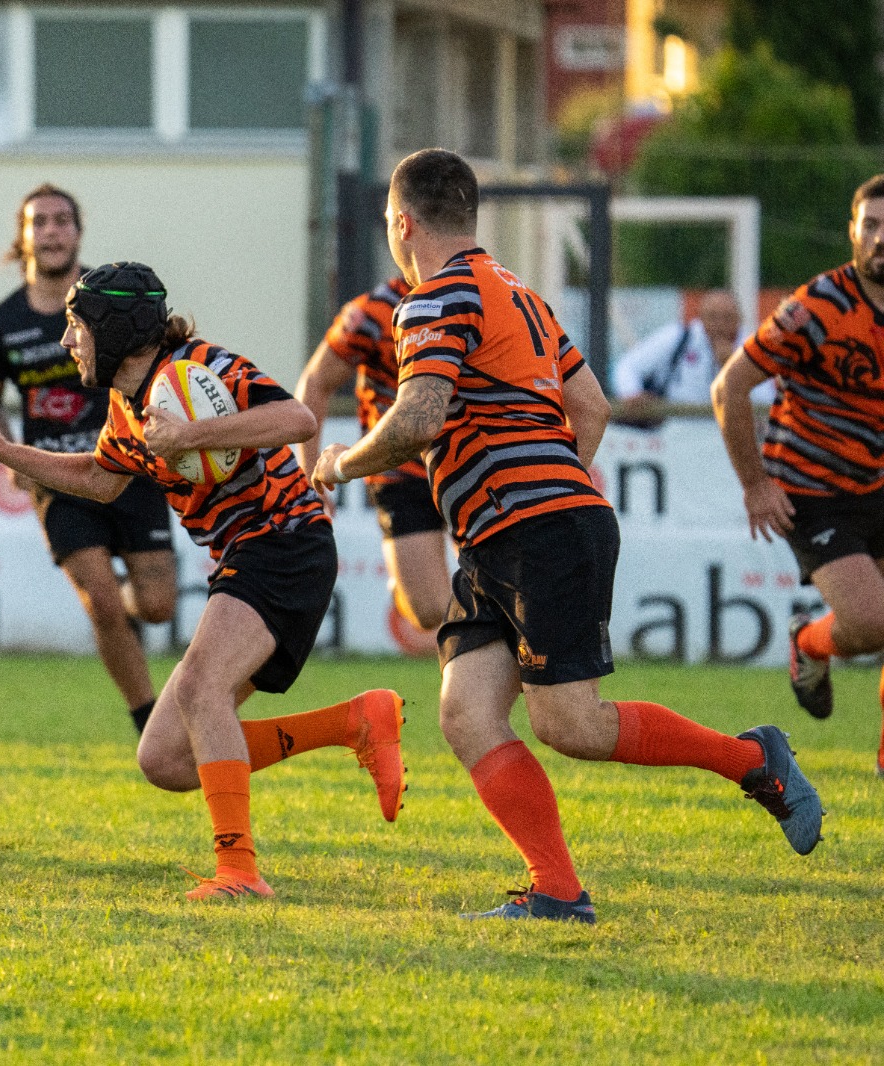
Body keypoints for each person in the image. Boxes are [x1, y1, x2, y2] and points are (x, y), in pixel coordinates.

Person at [314, 149, 823, 924]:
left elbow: (417, 419)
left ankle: (754, 759)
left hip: (533, 530)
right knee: (466, 712)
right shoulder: (521, 296)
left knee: (571, 725)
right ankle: (555, 890)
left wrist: (342, 464)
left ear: (402, 223)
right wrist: (550, 480)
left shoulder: (432, 298)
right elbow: (592, 406)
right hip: (510, 531)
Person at [0, 261, 406, 901]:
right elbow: (100, 479)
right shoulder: (125, 404)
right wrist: (3, 450)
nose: (66, 341)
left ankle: (239, 873)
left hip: (285, 542)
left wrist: (192, 435)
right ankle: (354, 722)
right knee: (164, 758)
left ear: (114, 328)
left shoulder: (200, 366)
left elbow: (297, 420)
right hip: (248, 555)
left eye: (77, 326)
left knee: (198, 690)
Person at [0, 186, 175, 734]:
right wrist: (12, 455)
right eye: (39, 222)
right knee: (102, 604)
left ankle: (130, 619)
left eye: (62, 220)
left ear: (78, 232)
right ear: (24, 237)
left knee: (157, 606)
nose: (51, 230)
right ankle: (148, 720)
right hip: (59, 480)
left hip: (129, 466)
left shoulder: (109, 300)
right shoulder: (1, 323)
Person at [712, 173, 884, 774]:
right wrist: (755, 484)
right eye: (871, 225)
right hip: (813, 488)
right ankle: (809, 642)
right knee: (872, 622)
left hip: (878, 480)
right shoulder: (818, 306)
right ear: (852, 232)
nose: (881, 238)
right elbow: (729, 387)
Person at [295, 275, 451, 640]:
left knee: (493, 593)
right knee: (430, 612)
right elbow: (316, 382)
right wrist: (309, 474)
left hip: (468, 463)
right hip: (401, 472)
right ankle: (407, 586)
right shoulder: (371, 313)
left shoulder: (475, 296)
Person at [611, 288, 771, 426]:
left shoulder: (752, 348)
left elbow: (765, 402)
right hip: (678, 433)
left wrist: (733, 369)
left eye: (727, 317)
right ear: (700, 317)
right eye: (713, 317)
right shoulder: (680, 337)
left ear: (738, 319)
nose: (720, 324)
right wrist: (633, 393)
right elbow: (627, 366)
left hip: (728, 438)